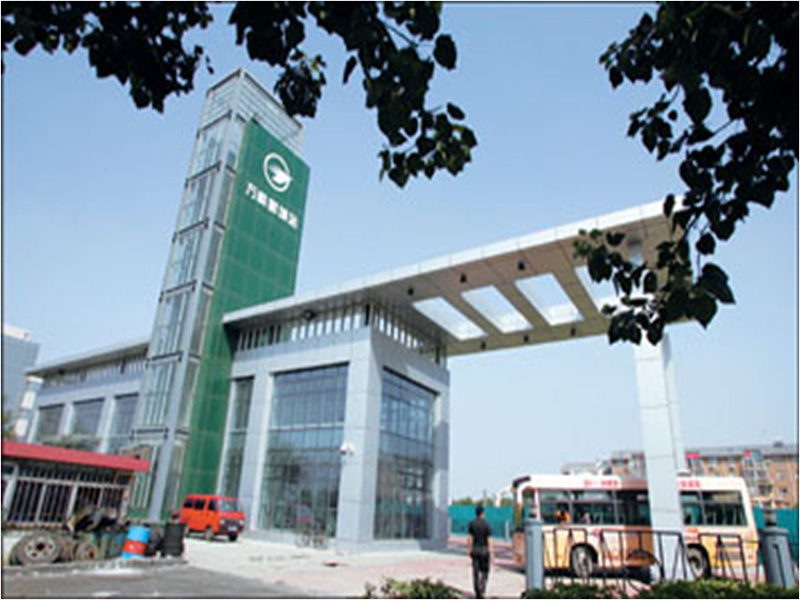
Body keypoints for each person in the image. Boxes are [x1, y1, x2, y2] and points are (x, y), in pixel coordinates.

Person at [467, 505, 493, 598]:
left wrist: (469, 549)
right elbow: (489, 539)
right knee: (485, 571)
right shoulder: (486, 524)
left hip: (475, 549)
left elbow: (470, 538)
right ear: (482, 513)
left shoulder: (472, 524)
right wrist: (491, 551)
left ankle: (477, 590)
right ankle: (482, 588)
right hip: (484, 550)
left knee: (476, 571)